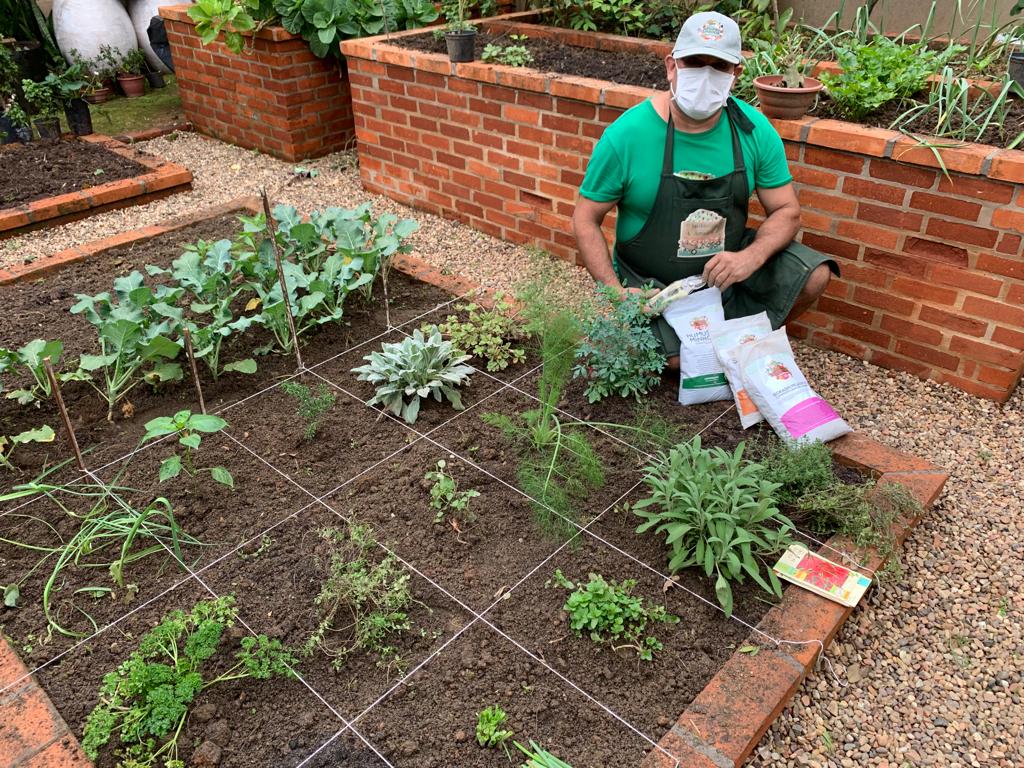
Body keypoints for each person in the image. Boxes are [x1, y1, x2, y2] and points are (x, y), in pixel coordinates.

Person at [571, 11, 837, 366]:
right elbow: (585, 218)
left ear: (735, 74)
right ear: (671, 66)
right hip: (653, 284)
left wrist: (749, 258)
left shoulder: (754, 131)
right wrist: (615, 292)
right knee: (676, 361)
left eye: (719, 66)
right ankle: (718, 349)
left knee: (814, 276)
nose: (706, 74)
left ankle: (734, 341)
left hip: (726, 277)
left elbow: (788, 211)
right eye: (695, 62)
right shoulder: (628, 135)